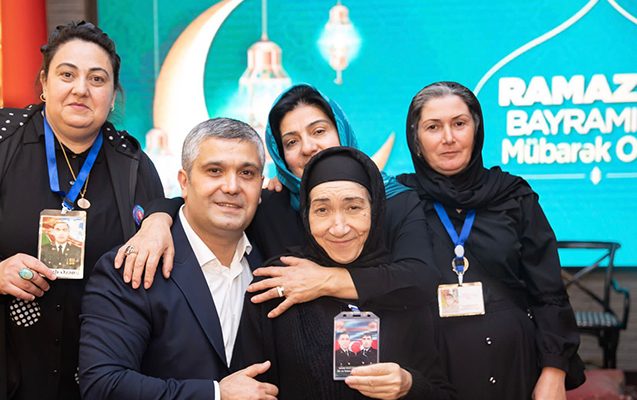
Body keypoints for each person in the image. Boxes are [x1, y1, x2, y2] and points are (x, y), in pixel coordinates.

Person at [125, 84, 439, 318]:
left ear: (341, 131)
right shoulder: (271, 207)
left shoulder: (394, 200)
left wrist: (325, 281)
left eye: (319, 131)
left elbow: (420, 279)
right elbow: (204, 207)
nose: (308, 147)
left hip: (391, 363)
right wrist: (157, 219)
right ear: (280, 155)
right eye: (291, 142)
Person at [0, 21, 165, 400]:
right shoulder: (4, 140)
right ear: (44, 83)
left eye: (97, 79)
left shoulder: (134, 164)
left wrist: (163, 216)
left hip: (102, 377)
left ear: (113, 95)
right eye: (67, 74)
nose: (81, 89)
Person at [397, 81, 586, 400]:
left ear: (477, 130)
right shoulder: (399, 200)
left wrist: (554, 371)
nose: (448, 137)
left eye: (459, 123)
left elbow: (549, 292)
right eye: (433, 127)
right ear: (416, 139)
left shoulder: (514, 196)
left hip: (515, 367)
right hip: (429, 374)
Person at [233, 146, 456, 400]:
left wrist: (410, 385)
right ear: (306, 214)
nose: (339, 228)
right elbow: (249, 388)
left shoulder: (402, 289)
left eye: (353, 207)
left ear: (375, 210)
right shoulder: (277, 283)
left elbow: (444, 392)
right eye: (322, 210)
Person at [79, 118, 278, 399]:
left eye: (247, 173)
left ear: (261, 186)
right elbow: (103, 385)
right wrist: (215, 394)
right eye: (215, 171)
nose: (232, 187)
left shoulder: (271, 262)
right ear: (184, 182)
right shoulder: (134, 266)